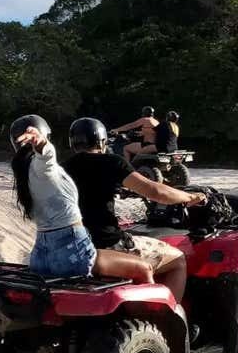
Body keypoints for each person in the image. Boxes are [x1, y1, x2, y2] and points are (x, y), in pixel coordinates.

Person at [63, 117, 207, 302]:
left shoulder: (63, 167)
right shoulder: (111, 162)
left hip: (75, 246)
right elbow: (154, 190)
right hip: (108, 245)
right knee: (177, 259)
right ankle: (171, 321)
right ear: (102, 141)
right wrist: (191, 197)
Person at [8, 114, 152, 282]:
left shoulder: (24, 172)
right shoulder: (44, 169)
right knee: (145, 268)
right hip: (72, 254)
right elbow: (46, 157)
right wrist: (41, 143)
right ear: (46, 135)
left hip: (41, 257)